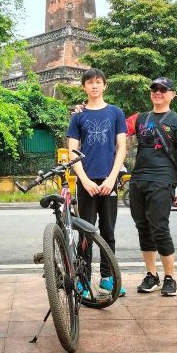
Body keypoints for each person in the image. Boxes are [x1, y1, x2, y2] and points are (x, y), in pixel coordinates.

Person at [127, 77, 177, 297]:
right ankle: (151, 275)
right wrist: (83, 111)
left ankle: (170, 277)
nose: (158, 92)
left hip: (163, 179)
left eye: (163, 89)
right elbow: (114, 126)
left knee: (159, 227)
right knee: (143, 228)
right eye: (154, 89)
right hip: (138, 179)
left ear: (172, 94)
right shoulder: (141, 118)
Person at [67, 68, 128, 296]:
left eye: (98, 82)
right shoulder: (78, 116)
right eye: (90, 82)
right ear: (84, 87)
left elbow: (121, 147)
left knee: (108, 231)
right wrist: (84, 180)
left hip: (109, 180)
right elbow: (73, 151)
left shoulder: (115, 113)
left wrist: (112, 177)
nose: (94, 86)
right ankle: (83, 279)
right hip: (86, 181)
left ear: (105, 85)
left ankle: (107, 279)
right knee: (86, 232)